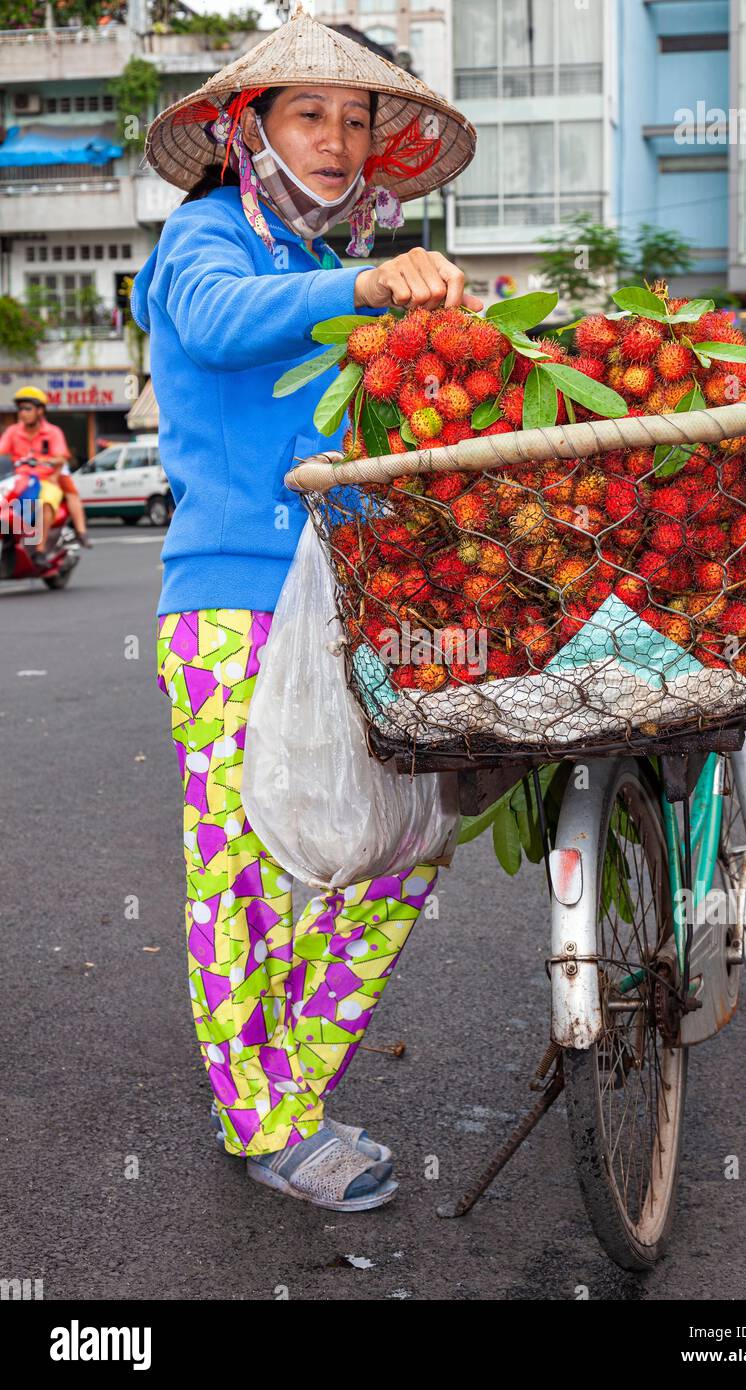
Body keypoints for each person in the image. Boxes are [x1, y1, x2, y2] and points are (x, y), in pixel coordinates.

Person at [132, 7, 479, 1212]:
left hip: (351, 607)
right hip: (226, 603)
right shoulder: (204, 242)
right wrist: (365, 283)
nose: (336, 140)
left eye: (354, 119)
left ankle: (286, 1083)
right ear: (246, 129)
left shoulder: (356, 280)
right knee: (239, 869)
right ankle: (267, 1119)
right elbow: (225, 324)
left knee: (395, 845)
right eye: (309, 115)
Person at [0, 386, 93, 563]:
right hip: (18, 480)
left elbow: (61, 456)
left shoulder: (53, 432)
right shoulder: (13, 431)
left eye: (27, 408)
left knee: (46, 504)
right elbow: (2, 453)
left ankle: (40, 551)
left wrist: (49, 461)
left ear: (40, 410)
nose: (23, 413)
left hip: (46, 480)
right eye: (20, 409)